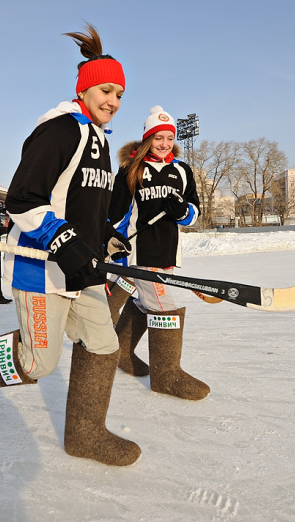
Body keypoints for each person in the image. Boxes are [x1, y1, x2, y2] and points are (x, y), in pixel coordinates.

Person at [0, 24, 139, 467]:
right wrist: (63, 239)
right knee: (38, 362)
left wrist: (107, 237)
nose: (114, 102)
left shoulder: (100, 141)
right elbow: (24, 198)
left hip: (81, 271)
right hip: (40, 266)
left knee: (104, 346)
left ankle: (85, 434)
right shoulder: (62, 130)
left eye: (120, 95)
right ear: (84, 89)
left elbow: (87, 209)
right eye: (106, 91)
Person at [108, 105, 209, 400]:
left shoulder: (182, 170)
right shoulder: (132, 169)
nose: (164, 144)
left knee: (145, 302)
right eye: (157, 138)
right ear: (146, 139)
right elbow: (115, 213)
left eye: (168, 137)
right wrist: (113, 241)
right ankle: (167, 375)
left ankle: (122, 353)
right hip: (139, 252)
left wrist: (183, 211)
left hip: (167, 251)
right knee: (163, 305)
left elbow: (193, 215)